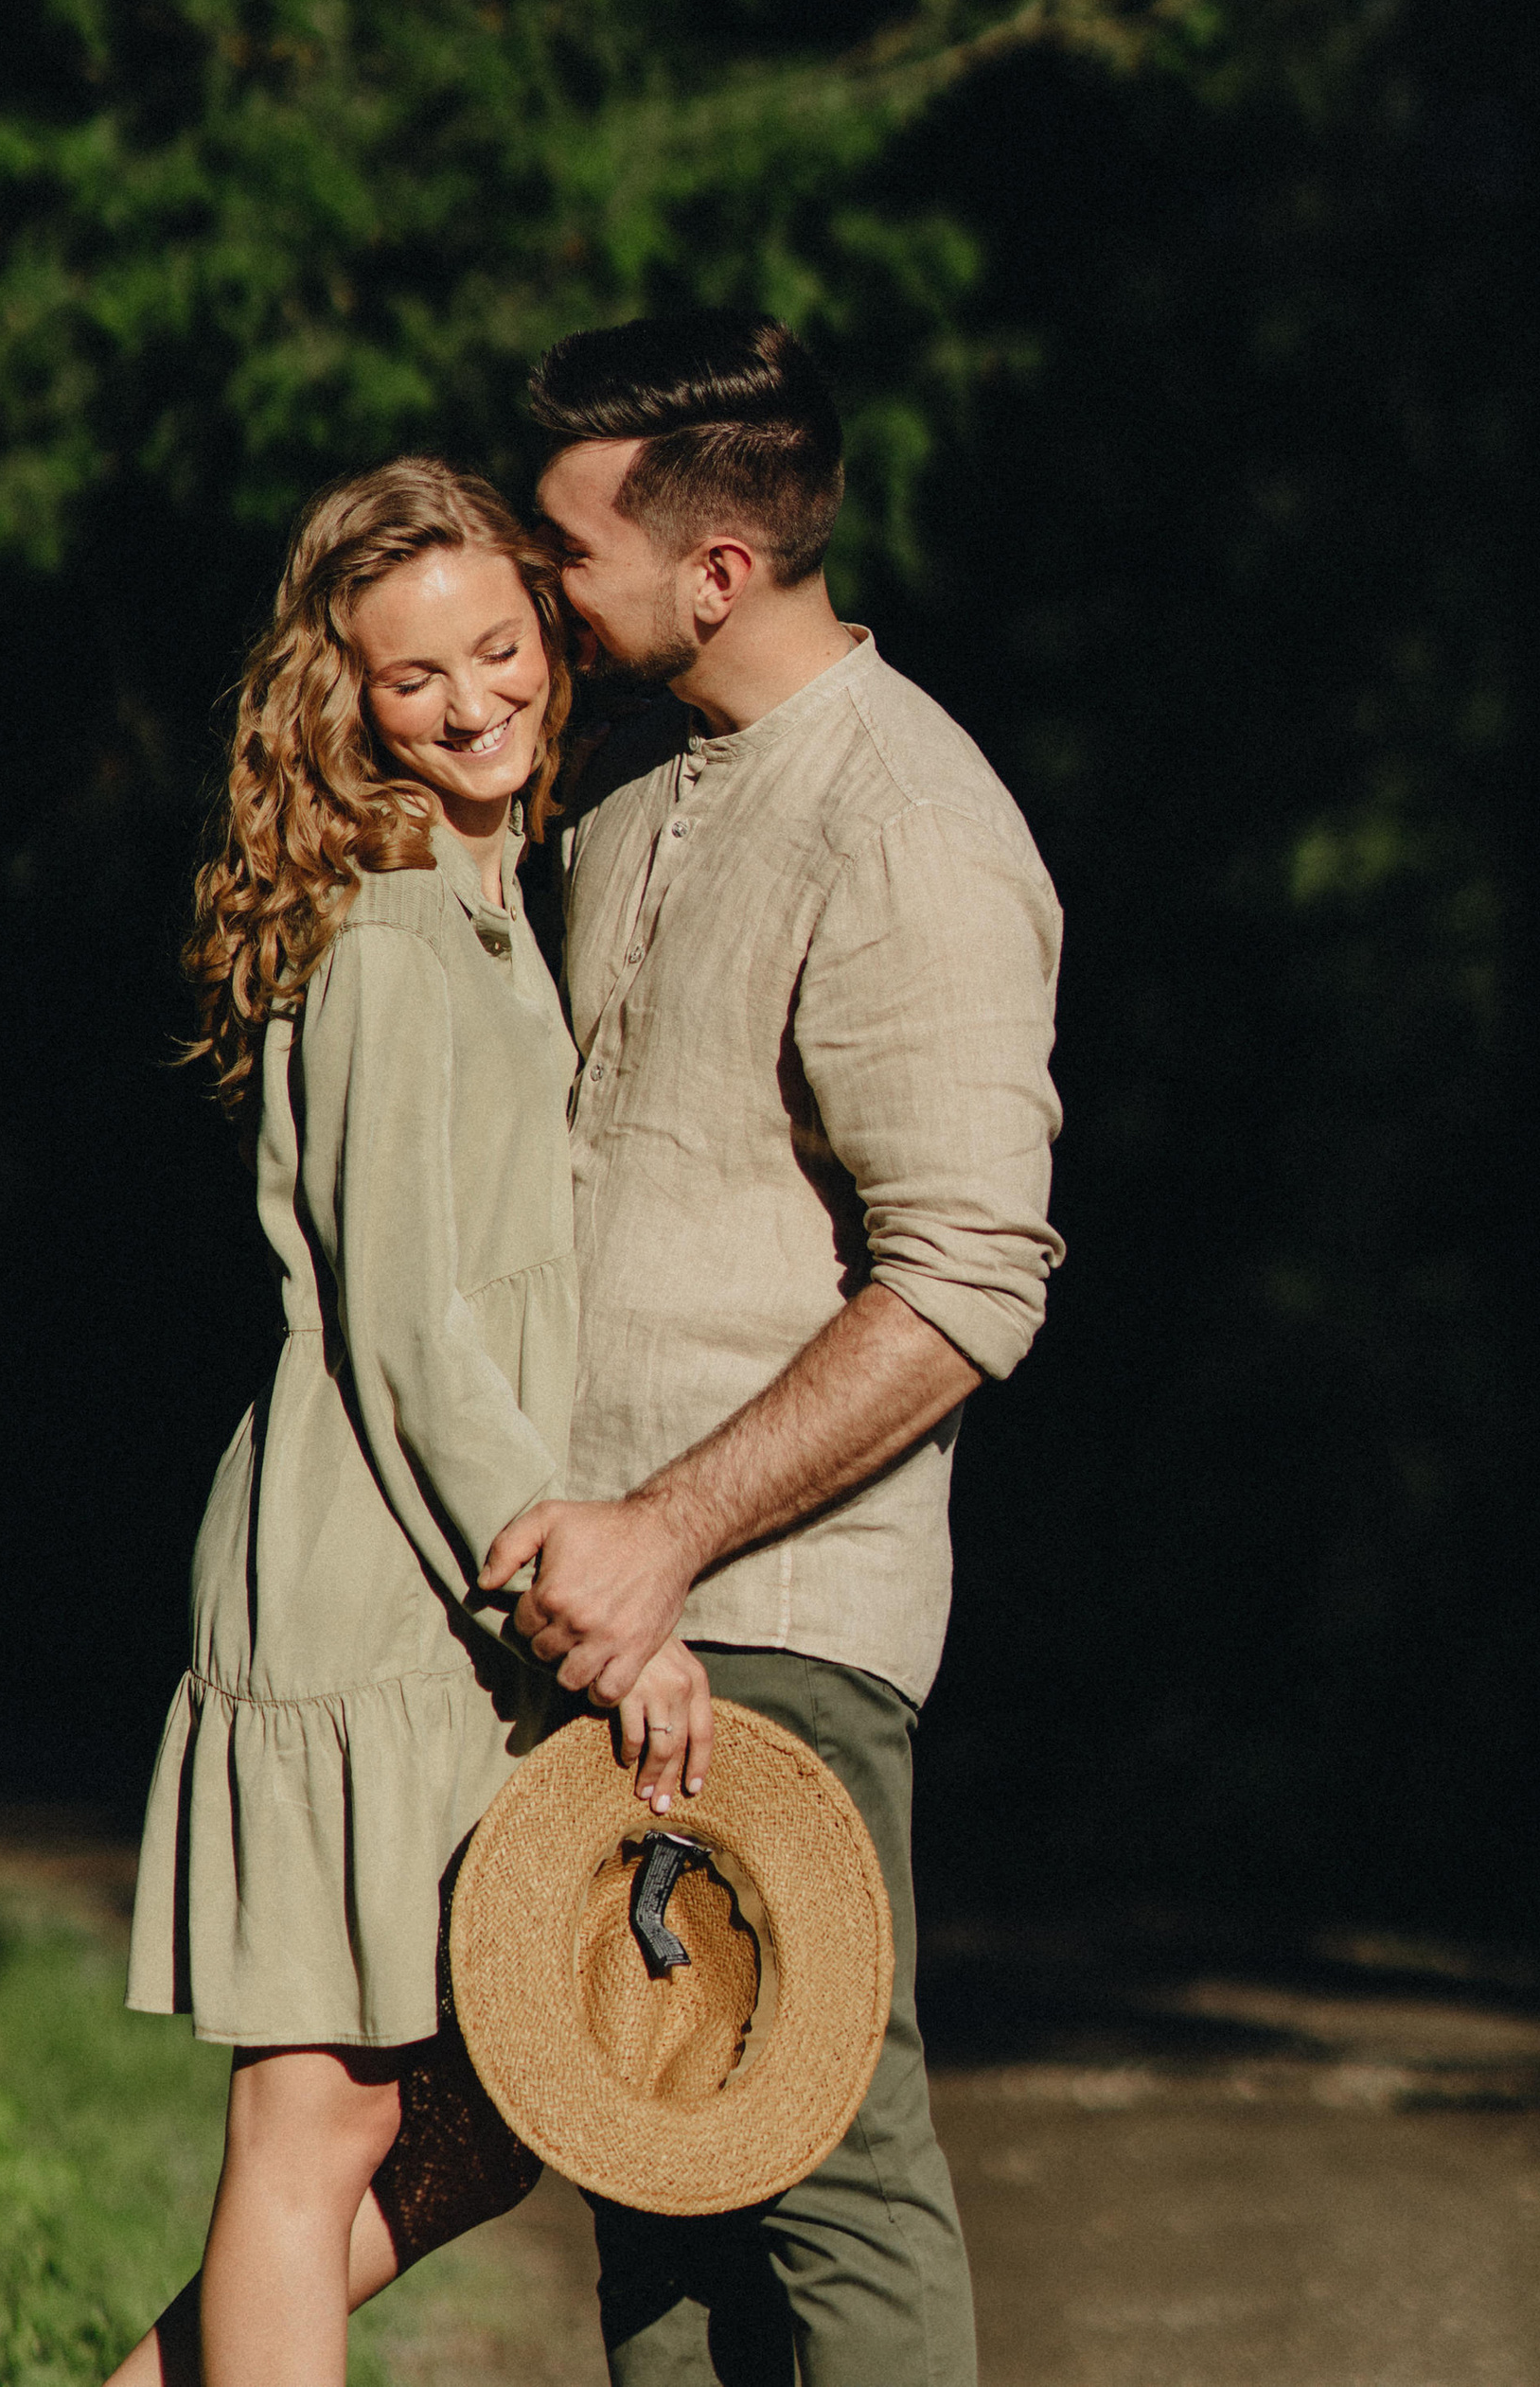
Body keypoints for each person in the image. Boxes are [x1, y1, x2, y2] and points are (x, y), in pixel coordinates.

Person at [483, 313, 1064, 2387]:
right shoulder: (638, 807)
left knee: (821, 2160)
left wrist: (662, 1528)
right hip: (602, 1621)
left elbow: (968, 1278)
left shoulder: (908, 819)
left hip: (775, 1615)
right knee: (649, 2160)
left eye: (565, 548)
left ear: (713, 570)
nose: (531, 582)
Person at [111, 456, 715, 2387]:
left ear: (548, 633)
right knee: (318, 2127)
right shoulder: (381, 934)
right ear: (339, 698)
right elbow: (402, 1330)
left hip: (440, 1593)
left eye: (495, 647)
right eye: (408, 676)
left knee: (477, 2127)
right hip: (361, 1573)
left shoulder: (481, 906)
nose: (469, 702)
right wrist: (580, 1583)